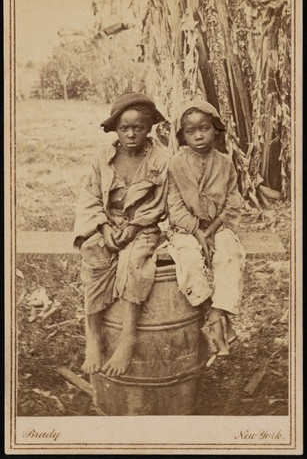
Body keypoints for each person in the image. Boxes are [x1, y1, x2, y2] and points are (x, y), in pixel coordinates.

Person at [74, 92, 169, 377]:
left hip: (141, 225)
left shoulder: (160, 160)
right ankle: (93, 337)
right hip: (106, 221)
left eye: (138, 127)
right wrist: (103, 227)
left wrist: (134, 226)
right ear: (115, 128)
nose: (131, 134)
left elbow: (160, 202)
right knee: (94, 255)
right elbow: (89, 198)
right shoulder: (103, 158)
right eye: (124, 128)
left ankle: (128, 337)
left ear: (149, 126)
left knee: (134, 261)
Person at [167, 100, 246, 361]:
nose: (198, 135)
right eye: (191, 131)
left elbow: (233, 202)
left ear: (215, 130)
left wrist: (211, 230)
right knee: (189, 260)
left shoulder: (225, 163)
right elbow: (174, 206)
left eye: (204, 128)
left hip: (218, 226)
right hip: (185, 229)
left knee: (229, 255)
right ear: (182, 135)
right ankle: (212, 313)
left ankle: (215, 318)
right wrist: (197, 232)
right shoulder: (176, 164)